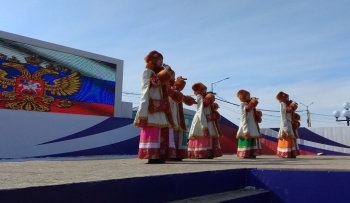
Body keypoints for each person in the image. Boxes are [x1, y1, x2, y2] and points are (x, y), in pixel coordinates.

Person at [133, 50, 177, 164]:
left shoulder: (159, 75)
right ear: (153, 61)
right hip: (151, 107)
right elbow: (155, 83)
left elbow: (165, 89)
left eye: (162, 61)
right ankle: (151, 155)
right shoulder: (147, 72)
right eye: (159, 61)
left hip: (161, 108)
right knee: (152, 130)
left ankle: (159, 154)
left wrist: (175, 93)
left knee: (161, 131)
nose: (161, 63)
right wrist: (166, 72)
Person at [164, 65, 197, 161]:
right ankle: (169, 153)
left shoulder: (174, 88)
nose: (173, 78)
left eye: (174, 77)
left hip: (177, 114)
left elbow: (180, 96)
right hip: (168, 112)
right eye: (171, 76)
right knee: (170, 132)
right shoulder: (165, 86)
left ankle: (177, 153)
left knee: (178, 132)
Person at [187, 82, 222, 159]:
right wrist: (204, 126)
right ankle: (200, 153)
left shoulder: (205, 98)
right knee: (202, 135)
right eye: (203, 90)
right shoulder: (199, 97)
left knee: (208, 136)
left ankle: (208, 153)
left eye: (205, 90)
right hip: (201, 119)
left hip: (208, 121)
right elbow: (200, 111)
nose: (205, 92)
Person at [236, 90, 263, 158]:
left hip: (252, 124)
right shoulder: (243, 104)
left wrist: (257, 114)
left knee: (252, 138)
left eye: (249, 95)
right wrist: (253, 102)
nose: (249, 97)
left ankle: (252, 153)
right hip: (246, 124)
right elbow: (248, 109)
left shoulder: (250, 105)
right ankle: (245, 153)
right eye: (247, 95)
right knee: (246, 137)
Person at [276, 91, 300, 158]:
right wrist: (285, 127)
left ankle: (292, 153)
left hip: (290, 123)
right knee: (287, 137)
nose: (288, 99)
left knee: (291, 137)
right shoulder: (282, 104)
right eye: (287, 97)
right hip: (285, 123)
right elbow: (283, 116)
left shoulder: (287, 104)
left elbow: (290, 112)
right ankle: (285, 153)